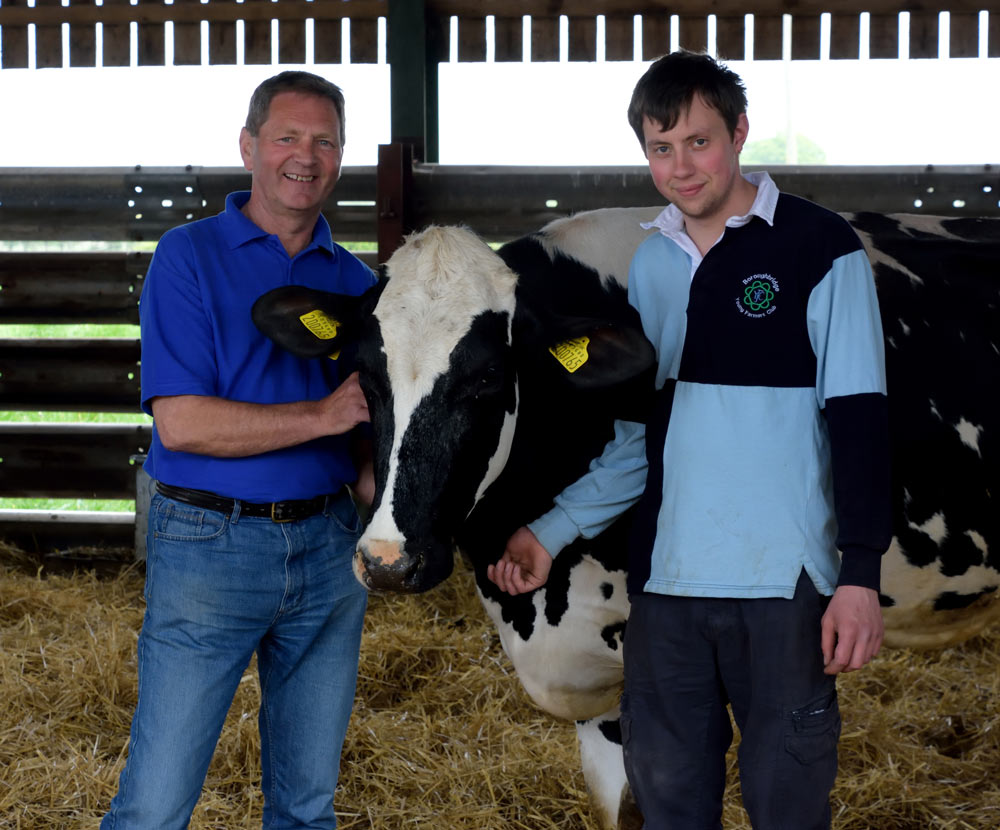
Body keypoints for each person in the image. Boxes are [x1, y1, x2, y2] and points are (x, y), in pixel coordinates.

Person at [488, 51, 891, 829]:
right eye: (660, 148)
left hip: (784, 589)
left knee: (788, 806)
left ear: (740, 133)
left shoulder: (820, 248)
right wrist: (551, 532)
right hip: (667, 589)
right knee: (670, 805)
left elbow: (861, 418)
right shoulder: (653, 265)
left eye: (699, 142)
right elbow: (644, 437)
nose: (680, 167)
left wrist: (861, 574)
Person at [102, 71, 374, 829]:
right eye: (287, 137)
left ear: (341, 156)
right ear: (249, 146)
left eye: (325, 141)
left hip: (328, 550)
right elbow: (182, 424)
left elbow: (369, 446)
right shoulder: (188, 255)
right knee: (156, 803)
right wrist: (322, 415)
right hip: (208, 543)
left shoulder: (358, 284)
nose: (305, 156)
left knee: (308, 805)